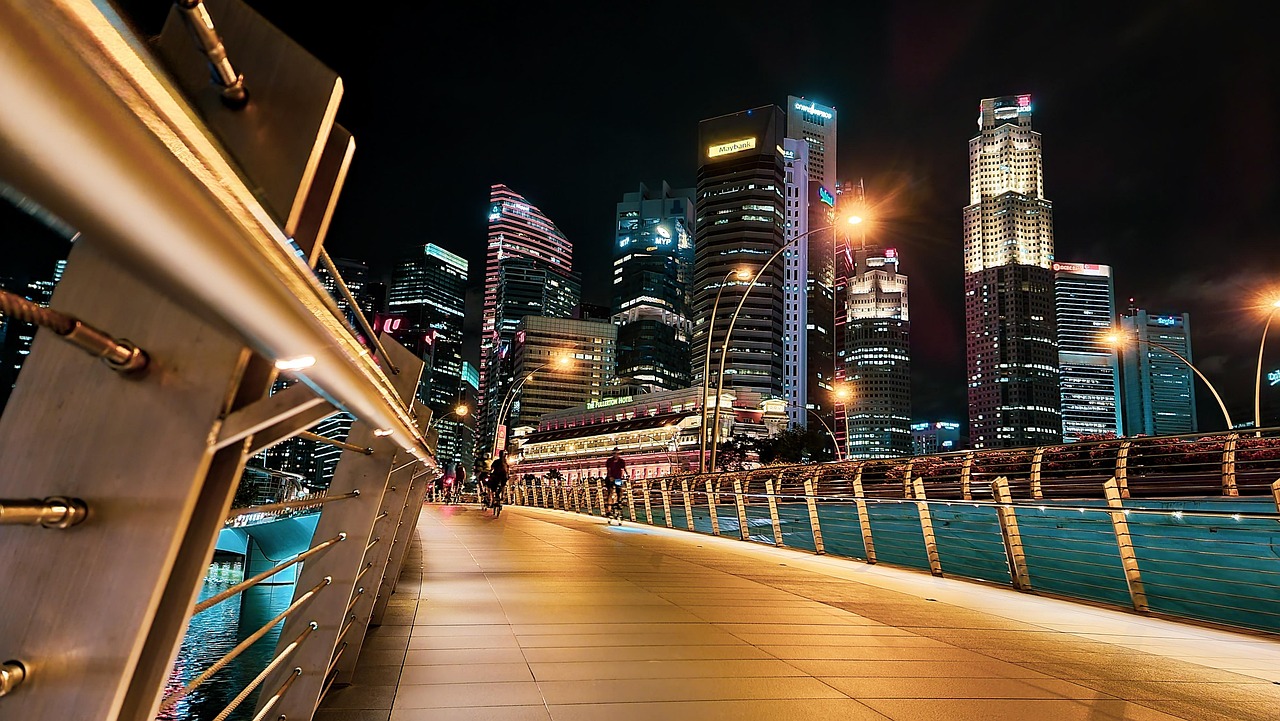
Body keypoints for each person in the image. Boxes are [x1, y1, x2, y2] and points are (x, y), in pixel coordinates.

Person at [604, 448, 627, 518]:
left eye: (617, 454)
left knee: (619, 491)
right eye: (615, 454)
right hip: (610, 478)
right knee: (610, 491)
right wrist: (610, 477)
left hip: (618, 478)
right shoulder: (609, 461)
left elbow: (623, 469)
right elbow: (608, 470)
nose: (616, 455)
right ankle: (609, 509)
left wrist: (627, 475)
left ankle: (619, 502)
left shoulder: (621, 461)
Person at [486, 450, 509, 515]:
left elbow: (491, 468)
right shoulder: (505, 462)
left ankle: (492, 500)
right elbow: (507, 470)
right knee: (503, 486)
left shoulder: (496, 461)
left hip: (496, 476)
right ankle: (502, 497)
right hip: (503, 476)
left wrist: (489, 473)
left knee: (492, 487)